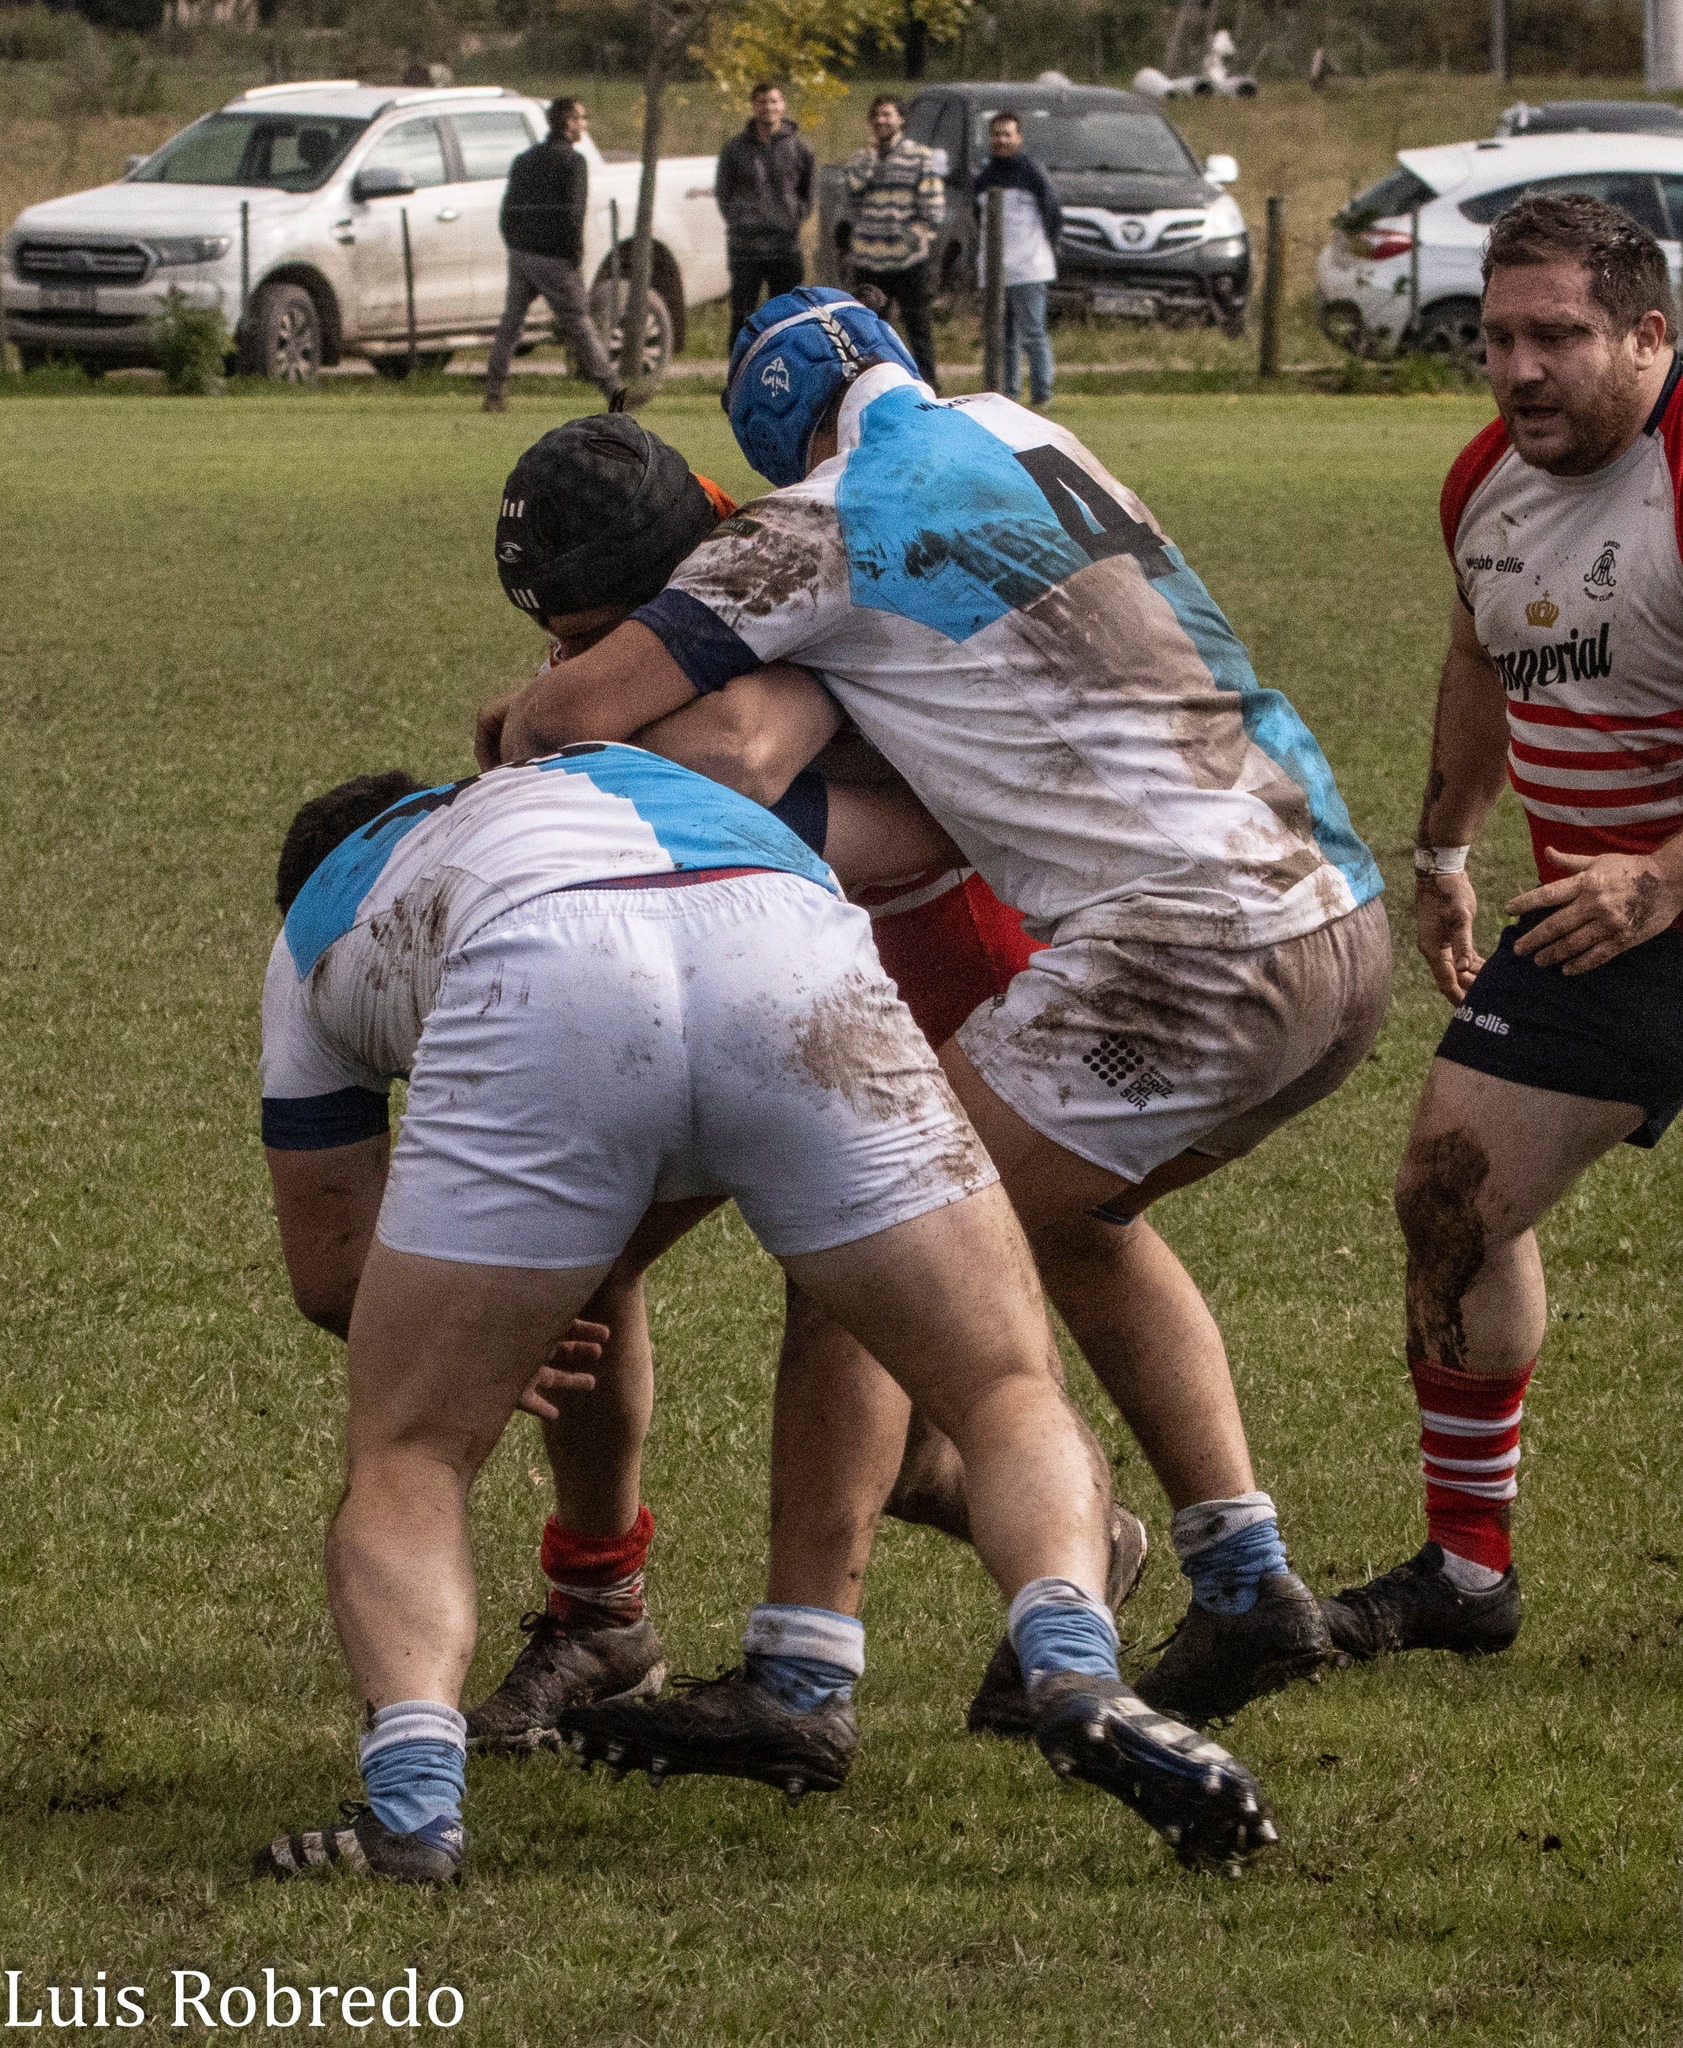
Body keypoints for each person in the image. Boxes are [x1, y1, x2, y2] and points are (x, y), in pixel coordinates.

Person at [477, 288, 1393, 1743]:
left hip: (1166, 943)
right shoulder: (1027, 432)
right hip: (1329, 903)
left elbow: (662, 734)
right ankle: (1240, 1577)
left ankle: (798, 1677)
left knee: (861, 1224)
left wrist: (523, 731)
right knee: (1072, 1226)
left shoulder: (815, 526)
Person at [253, 748, 1275, 1884]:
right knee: (1001, 1386)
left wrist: (478, 1347)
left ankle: (411, 1812)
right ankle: (1074, 1656)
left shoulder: (323, 918)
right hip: (786, 938)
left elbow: (329, 1265)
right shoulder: (591, 778)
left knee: (413, 1449)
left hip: (542, 977)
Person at [467, 415, 1148, 1767]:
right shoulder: (650, 615)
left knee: (863, 1324)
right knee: (581, 1253)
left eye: (602, 631)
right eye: (561, 636)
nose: (582, 655)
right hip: (733, 960)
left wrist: (550, 737)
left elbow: (735, 753)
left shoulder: (795, 580)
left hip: (923, 960)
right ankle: (601, 1609)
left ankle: (844, 1653)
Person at [1325, 195, 1683, 1660]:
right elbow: (1480, 657)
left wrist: (1666, 873)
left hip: (1654, 888)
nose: (1518, 370)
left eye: (1557, 337)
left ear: (1647, 336)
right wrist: (1443, 849)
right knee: (1446, 1193)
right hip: (1598, 918)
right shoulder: (1485, 480)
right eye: (1496, 337)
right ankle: (1466, 1573)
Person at [483, 97, 622, 415]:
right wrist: (575, 256)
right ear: (569, 122)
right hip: (556, 259)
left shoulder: (524, 160)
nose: (585, 124)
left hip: (522, 255)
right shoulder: (574, 163)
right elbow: (574, 214)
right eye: (581, 118)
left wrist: (515, 245)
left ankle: (494, 391)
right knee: (580, 323)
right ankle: (615, 392)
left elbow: (508, 211)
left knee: (511, 324)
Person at [843, 95, 945, 388]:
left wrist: (917, 236)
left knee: (917, 326)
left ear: (901, 119)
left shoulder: (920, 156)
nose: (881, 120)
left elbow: (933, 205)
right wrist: (872, 159)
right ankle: (870, 385)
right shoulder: (861, 158)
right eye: (876, 115)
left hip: (907, 259)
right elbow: (851, 191)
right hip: (869, 259)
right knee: (867, 329)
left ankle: (928, 385)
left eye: (887, 114)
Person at [972, 110, 1061, 409]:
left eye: (1007, 134)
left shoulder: (1032, 173)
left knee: (1033, 333)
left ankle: (1041, 394)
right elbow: (978, 220)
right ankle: (1008, 394)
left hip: (1029, 268)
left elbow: (1053, 215)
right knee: (1002, 337)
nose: (1001, 140)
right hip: (995, 270)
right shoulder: (984, 177)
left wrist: (1044, 248)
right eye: (996, 134)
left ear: (1019, 138)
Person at [715, 83, 815, 345]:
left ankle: (786, 365)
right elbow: (723, 193)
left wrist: (791, 219)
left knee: (789, 316)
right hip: (745, 247)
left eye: (773, 101)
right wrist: (741, 220)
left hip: (785, 246)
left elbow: (808, 193)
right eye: (761, 102)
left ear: (782, 105)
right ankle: (740, 369)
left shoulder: (800, 148)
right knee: (743, 317)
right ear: (753, 106)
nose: (767, 107)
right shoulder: (735, 148)